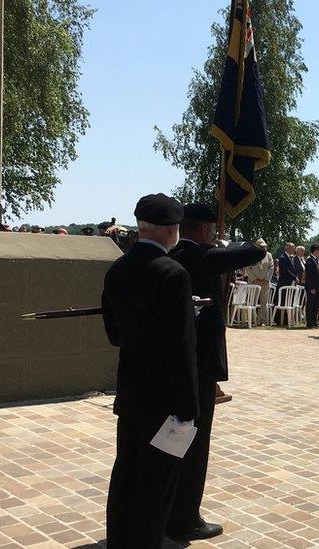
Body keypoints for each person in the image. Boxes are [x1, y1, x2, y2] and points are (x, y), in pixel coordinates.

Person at [101, 194, 199, 548]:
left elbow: (114, 334)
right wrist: (189, 406)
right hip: (164, 399)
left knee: (126, 474)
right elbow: (181, 348)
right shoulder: (173, 273)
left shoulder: (117, 269)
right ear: (172, 230)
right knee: (155, 487)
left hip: (131, 392)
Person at [166, 203, 264, 541]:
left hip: (175, 365)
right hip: (200, 366)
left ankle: (168, 510)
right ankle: (186, 517)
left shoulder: (174, 254)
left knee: (173, 442)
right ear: (207, 230)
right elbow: (254, 251)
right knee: (194, 444)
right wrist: (222, 246)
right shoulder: (201, 257)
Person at [244, 239, 274, 326]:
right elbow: (248, 268)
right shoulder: (251, 255)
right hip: (253, 283)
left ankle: (262, 321)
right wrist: (255, 280)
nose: (263, 248)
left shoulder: (269, 255)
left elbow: (271, 267)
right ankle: (252, 320)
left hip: (265, 283)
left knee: (263, 303)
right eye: (261, 247)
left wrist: (266, 280)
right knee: (252, 301)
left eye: (264, 247)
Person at [304, 243, 319, 328]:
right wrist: (312, 287)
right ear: (315, 251)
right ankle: (309, 322)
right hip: (312, 287)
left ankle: (314, 321)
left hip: (318, 287)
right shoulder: (310, 260)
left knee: (316, 305)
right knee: (311, 304)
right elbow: (309, 275)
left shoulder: (316, 260)